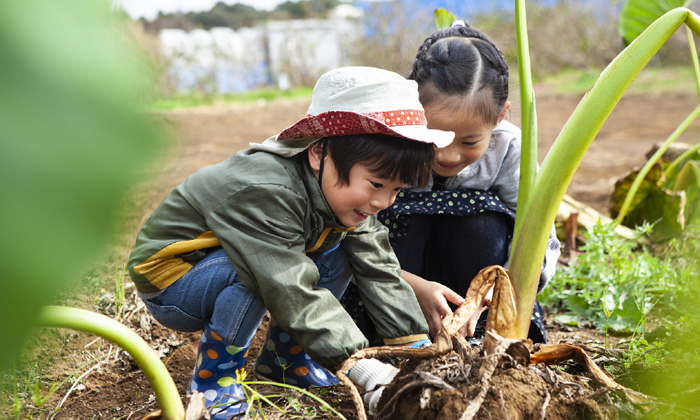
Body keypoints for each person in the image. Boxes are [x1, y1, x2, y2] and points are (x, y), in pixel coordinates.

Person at [127, 66, 453, 419]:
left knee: (344, 252)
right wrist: (367, 370)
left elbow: (379, 268)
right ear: (318, 153)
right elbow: (286, 285)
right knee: (258, 274)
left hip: (223, 264)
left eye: (396, 190)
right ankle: (213, 383)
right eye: (376, 184)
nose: (383, 202)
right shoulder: (267, 191)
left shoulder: (341, 198)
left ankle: (286, 363)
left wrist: (416, 350)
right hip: (172, 279)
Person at [340, 21, 560, 346]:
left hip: (474, 294)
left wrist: (493, 293)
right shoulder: (390, 141)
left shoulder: (510, 148)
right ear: (412, 108)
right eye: (434, 138)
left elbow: (539, 236)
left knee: (486, 220)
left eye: (469, 142)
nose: (448, 155)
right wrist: (411, 285)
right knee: (394, 216)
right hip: (392, 280)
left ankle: (478, 336)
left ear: (500, 116)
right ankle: (401, 334)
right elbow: (347, 229)